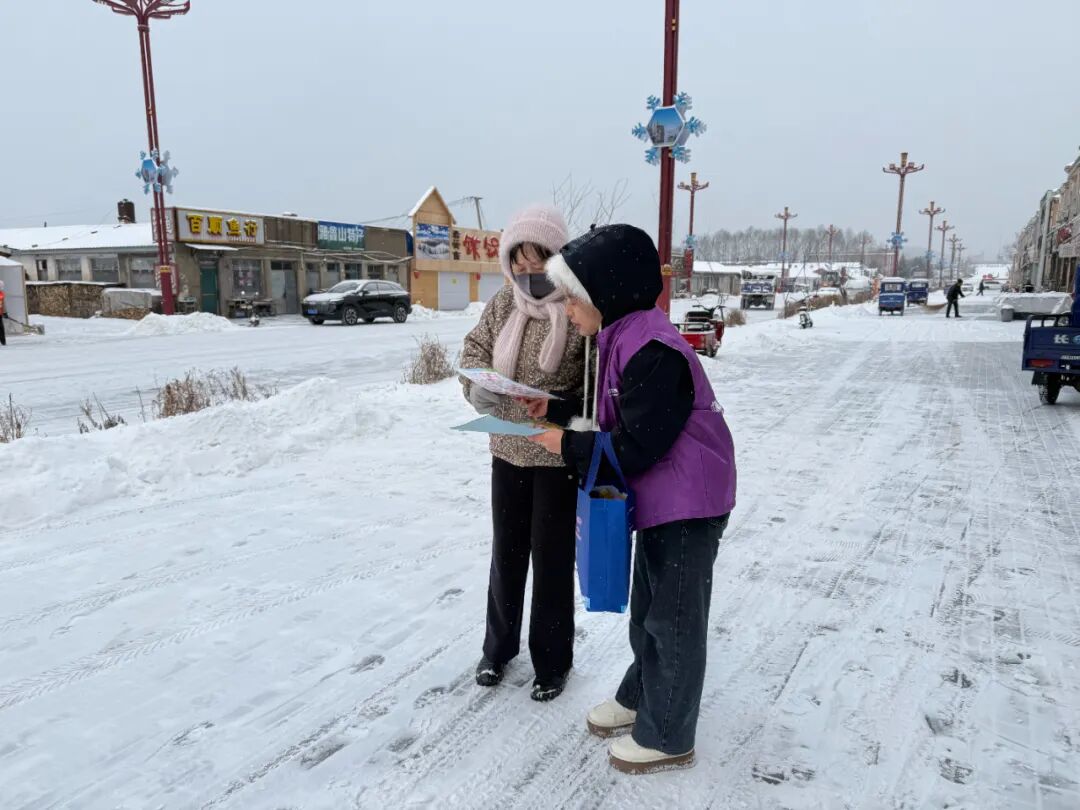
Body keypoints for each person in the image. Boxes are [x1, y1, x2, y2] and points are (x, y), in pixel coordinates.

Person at [529, 224, 737, 774]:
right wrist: (555, 409)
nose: (568, 310)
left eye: (573, 298)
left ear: (605, 292)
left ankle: (668, 734)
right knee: (648, 611)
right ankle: (642, 696)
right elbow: (614, 412)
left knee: (673, 619)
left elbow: (637, 443)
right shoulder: (623, 335)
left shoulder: (654, 350)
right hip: (667, 498)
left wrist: (566, 445)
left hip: (690, 502)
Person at [459, 205, 588, 702]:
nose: (527, 271)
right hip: (506, 448)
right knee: (506, 556)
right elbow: (473, 351)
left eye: (538, 262)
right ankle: (497, 650)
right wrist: (477, 388)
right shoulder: (502, 303)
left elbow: (595, 385)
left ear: (557, 260)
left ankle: (553, 663)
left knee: (552, 562)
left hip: (555, 456)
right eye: (519, 261)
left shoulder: (578, 307)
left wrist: (556, 403)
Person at [0, 279, 6, 346]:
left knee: (1, 327)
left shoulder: (1, 294)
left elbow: (3, 304)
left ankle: (3, 341)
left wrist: (4, 312)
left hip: (0, 313)